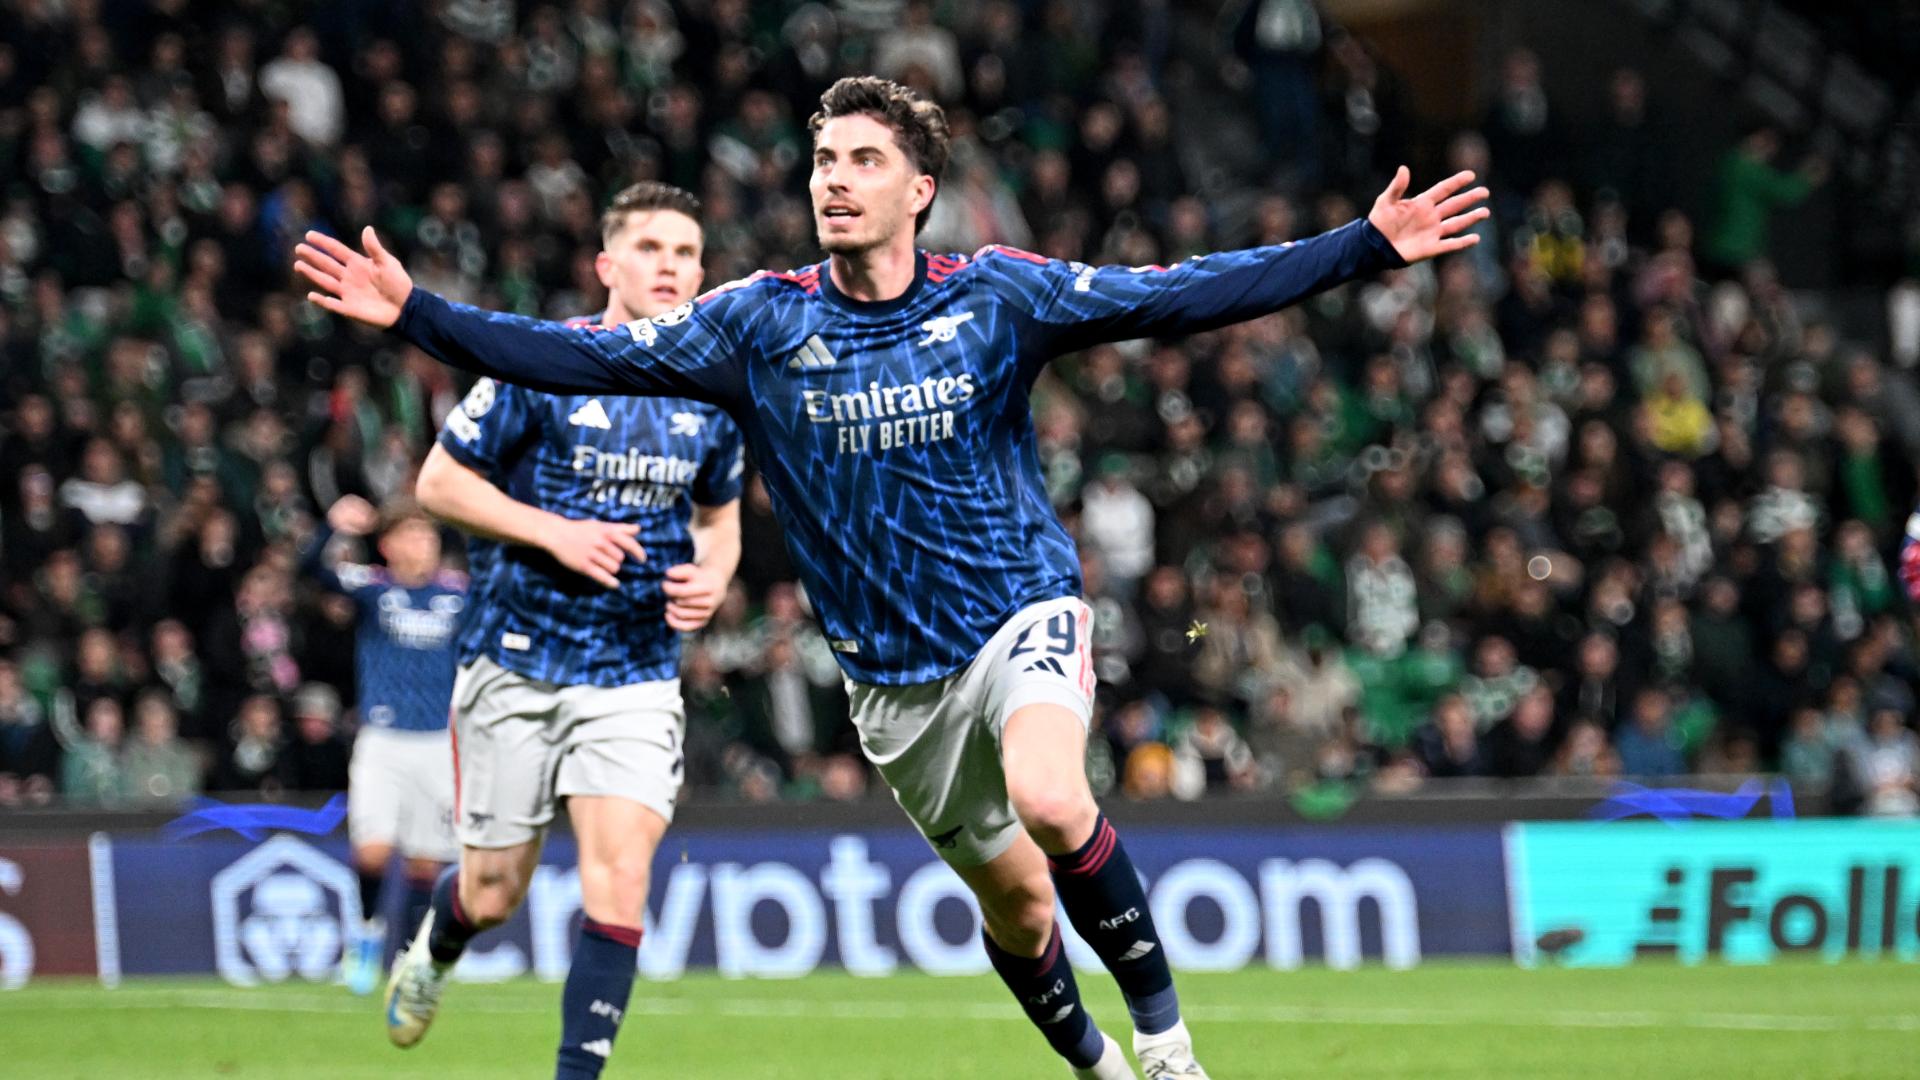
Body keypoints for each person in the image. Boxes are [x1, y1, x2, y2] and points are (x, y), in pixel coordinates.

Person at [296, 74, 1487, 1080]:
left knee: (1056, 797)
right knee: (1017, 910)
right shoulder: (753, 325)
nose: (834, 178)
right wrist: (418, 315)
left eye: (863, 159)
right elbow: (570, 352)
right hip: (895, 688)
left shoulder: (997, 296)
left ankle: (1169, 1049)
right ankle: (1096, 1063)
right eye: (822, 158)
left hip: (1018, 609)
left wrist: (1361, 248)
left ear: (919, 190)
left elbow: (1178, 293)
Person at [399, 182, 743, 1078]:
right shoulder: (542, 362)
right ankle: (436, 950)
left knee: (620, 877)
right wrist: (554, 530)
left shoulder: (712, 388)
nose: (669, 265)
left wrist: (713, 577)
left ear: (701, 272)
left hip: (633, 671)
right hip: (517, 661)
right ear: (607, 267)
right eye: (650, 249)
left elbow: (720, 514)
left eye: (684, 253)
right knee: (494, 890)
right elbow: (437, 485)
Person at [299, 494, 464, 995]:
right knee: (372, 853)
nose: (423, 544)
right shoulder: (373, 589)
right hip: (383, 739)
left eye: (428, 535)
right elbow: (312, 570)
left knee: (425, 860)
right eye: (412, 535)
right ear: (388, 545)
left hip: (438, 741)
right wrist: (334, 528)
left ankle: (409, 962)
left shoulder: (459, 596)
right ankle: (366, 931)